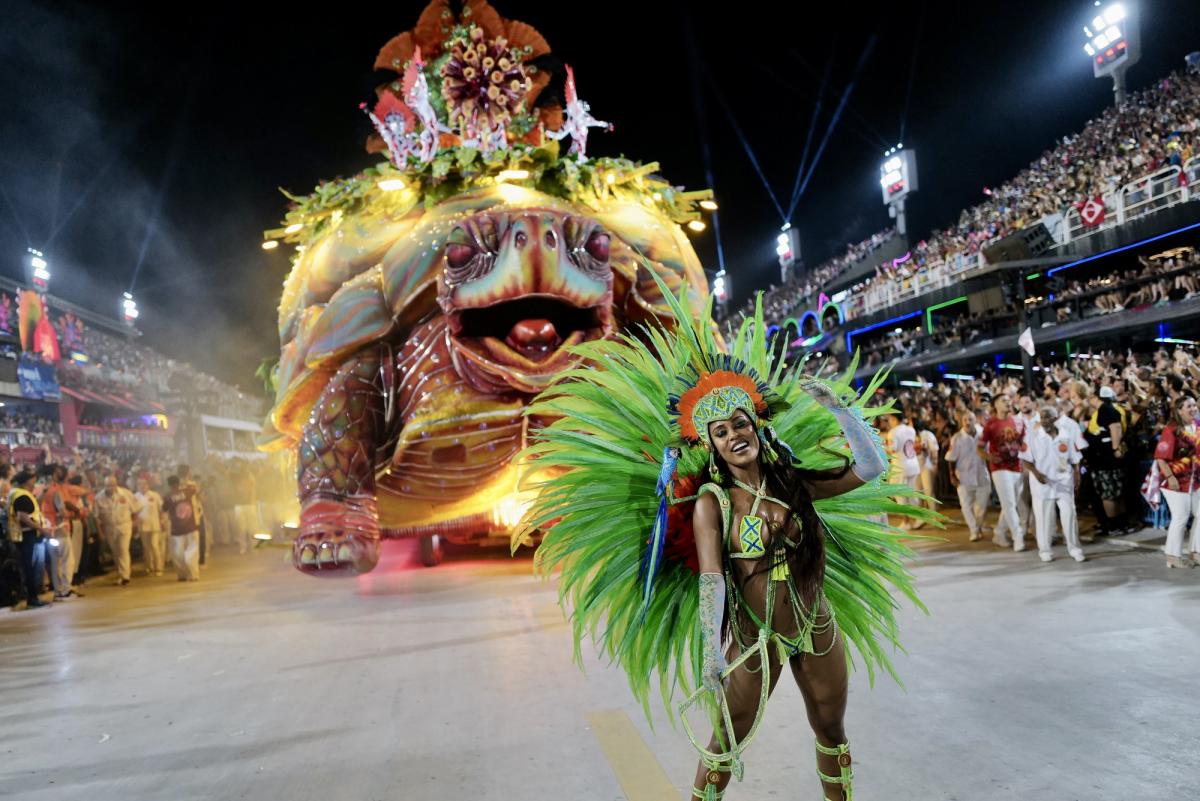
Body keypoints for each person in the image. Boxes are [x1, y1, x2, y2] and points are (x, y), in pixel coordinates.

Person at [518, 293, 930, 801]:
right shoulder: (712, 503)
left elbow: (870, 468)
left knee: (831, 729)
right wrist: (712, 653)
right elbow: (712, 578)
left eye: (740, 423)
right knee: (725, 743)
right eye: (720, 431)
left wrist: (840, 411)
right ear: (711, 444)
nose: (735, 435)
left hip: (815, 626)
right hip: (754, 638)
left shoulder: (793, 482)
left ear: (756, 426)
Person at [1020, 404, 1085, 563]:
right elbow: (1025, 460)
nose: (1044, 420)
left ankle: (1075, 549)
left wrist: (1077, 474)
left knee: (1069, 515)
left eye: (1048, 417)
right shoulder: (1032, 436)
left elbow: (1075, 457)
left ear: (1055, 418)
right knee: (1043, 518)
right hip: (1042, 483)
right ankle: (1045, 550)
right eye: (1042, 417)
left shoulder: (1065, 434)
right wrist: (1036, 474)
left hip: (1064, 481)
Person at [1154, 396, 1200, 568]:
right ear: (1179, 410)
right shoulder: (1171, 429)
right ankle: (1173, 556)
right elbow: (1160, 457)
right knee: (1181, 517)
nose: (1193, 408)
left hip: (1195, 480)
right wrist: (1170, 477)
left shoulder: (1198, 427)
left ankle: (1196, 552)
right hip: (1175, 481)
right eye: (1189, 406)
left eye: (1194, 405)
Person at [979, 395, 1027, 550]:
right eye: (1003, 401)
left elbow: (1024, 443)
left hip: (1017, 466)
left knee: (1011, 503)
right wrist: (989, 457)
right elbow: (979, 447)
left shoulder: (1018, 421)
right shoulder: (991, 424)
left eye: (1008, 400)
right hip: (999, 468)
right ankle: (1018, 536)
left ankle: (999, 532)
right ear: (995, 405)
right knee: (1009, 503)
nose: (1008, 402)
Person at [8, 470, 55, 608]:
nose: (35, 482)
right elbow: (23, 516)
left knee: (30, 566)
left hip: (24, 535)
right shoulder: (21, 496)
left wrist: (43, 492)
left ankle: (33, 597)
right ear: (27, 481)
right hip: (26, 535)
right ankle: (32, 599)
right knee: (30, 567)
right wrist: (42, 529)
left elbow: (32, 508)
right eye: (33, 479)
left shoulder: (19, 493)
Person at [1086, 386, 1129, 533]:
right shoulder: (1110, 409)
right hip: (1105, 459)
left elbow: (1116, 427)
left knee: (1109, 494)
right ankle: (1122, 524)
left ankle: (1114, 526)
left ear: (1096, 397)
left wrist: (1115, 448)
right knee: (1116, 493)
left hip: (1106, 460)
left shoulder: (1106, 409)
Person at [946, 411, 991, 541]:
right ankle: (974, 530)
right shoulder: (957, 438)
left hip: (982, 475)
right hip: (963, 477)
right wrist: (952, 475)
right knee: (966, 506)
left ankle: (978, 526)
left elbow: (988, 453)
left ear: (975, 420)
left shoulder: (982, 434)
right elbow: (951, 458)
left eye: (970, 419)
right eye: (965, 420)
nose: (967, 422)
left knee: (982, 506)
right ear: (961, 422)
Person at [95, 474, 142, 586]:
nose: (111, 487)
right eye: (108, 485)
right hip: (109, 527)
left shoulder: (126, 494)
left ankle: (125, 576)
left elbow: (135, 510)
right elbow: (96, 517)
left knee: (123, 549)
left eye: (113, 485)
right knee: (115, 552)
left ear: (116, 484)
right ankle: (121, 574)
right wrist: (100, 532)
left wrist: (135, 525)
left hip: (124, 525)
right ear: (104, 485)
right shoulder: (98, 498)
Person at [887, 409, 921, 529]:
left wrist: (882, 447)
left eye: (889, 419)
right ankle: (918, 518)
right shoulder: (911, 429)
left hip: (900, 466)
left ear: (894, 418)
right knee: (912, 494)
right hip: (913, 464)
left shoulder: (893, 432)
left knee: (899, 494)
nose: (889, 422)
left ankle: (906, 522)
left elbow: (893, 449)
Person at [165, 475, 201, 581]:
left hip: (176, 529)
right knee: (192, 551)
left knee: (177, 554)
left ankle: (182, 575)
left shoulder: (167, 496)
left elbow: (164, 509)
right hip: (191, 526)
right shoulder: (187, 491)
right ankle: (194, 575)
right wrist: (186, 483)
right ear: (178, 483)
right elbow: (196, 488)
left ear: (169, 485)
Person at [135, 476, 166, 576]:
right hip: (142, 525)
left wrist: (163, 521)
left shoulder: (155, 495)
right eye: (140, 484)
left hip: (154, 524)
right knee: (146, 547)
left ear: (148, 485)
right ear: (137, 485)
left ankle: (159, 567)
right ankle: (149, 566)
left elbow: (161, 509)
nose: (142, 486)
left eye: (144, 484)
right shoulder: (135, 497)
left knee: (154, 545)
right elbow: (133, 512)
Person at [915, 420, 940, 525]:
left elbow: (934, 450)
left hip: (926, 466)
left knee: (929, 492)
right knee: (917, 492)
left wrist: (935, 464)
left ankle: (934, 516)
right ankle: (921, 517)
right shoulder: (911, 435)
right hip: (916, 468)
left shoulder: (928, 434)